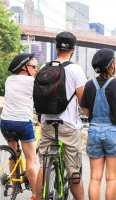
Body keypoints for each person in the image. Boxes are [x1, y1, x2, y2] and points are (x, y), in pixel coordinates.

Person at [35, 31, 86, 200]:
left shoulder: (44, 68)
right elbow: (82, 100)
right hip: (68, 125)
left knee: (43, 163)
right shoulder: (76, 70)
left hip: (47, 122)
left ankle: (38, 196)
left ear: (55, 47)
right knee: (73, 169)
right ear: (73, 49)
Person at [80, 48, 116, 200]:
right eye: (115, 62)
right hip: (114, 132)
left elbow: (84, 108)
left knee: (95, 178)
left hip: (94, 132)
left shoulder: (89, 84)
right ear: (111, 66)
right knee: (111, 179)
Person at [1, 53, 38, 200]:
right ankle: (36, 195)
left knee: (13, 153)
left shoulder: (9, 80)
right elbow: (40, 99)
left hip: (5, 122)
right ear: (24, 67)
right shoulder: (32, 81)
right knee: (31, 159)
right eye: (34, 66)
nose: (36, 69)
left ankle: (14, 188)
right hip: (23, 122)